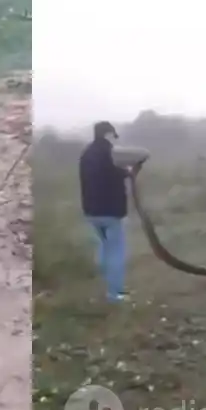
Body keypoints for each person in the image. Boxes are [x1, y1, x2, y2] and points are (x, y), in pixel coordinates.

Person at [78, 121, 144, 303]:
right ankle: (115, 294)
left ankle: (104, 287)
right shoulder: (110, 153)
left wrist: (123, 172)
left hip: (91, 212)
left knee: (105, 249)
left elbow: (105, 174)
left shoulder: (86, 154)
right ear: (108, 134)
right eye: (114, 136)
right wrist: (128, 172)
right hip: (111, 212)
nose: (114, 140)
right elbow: (137, 157)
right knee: (116, 252)